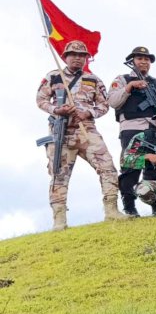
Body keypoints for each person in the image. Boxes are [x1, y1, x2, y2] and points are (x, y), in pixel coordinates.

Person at [36, 40, 129, 230]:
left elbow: (104, 105)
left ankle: (111, 210)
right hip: (60, 130)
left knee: (107, 167)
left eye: (82, 56)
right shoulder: (53, 76)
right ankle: (59, 220)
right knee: (58, 175)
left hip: (86, 129)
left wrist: (89, 113)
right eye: (73, 55)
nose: (78, 58)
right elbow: (41, 99)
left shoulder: (93, 79)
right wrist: (57, 109)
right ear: (65, 57)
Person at [108, 46, 156, 217]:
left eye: (147, 59)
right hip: (132, 127)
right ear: (132, 61)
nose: (144, 62)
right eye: (139, 59)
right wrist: (130, 87)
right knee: (130, 166)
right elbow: (112, 101)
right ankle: (129, 207)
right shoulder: (122, 79)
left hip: (155, 128)